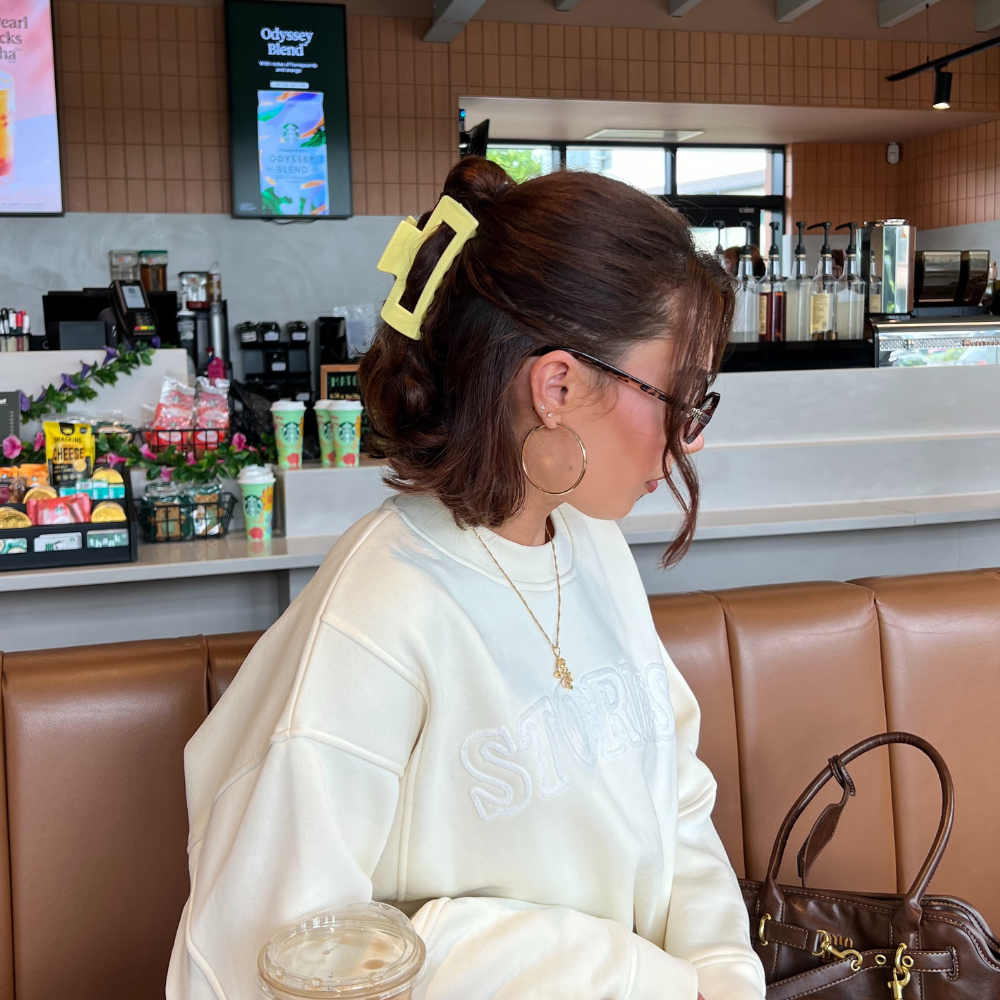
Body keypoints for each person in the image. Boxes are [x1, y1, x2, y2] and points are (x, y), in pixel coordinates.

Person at [166, 157, 766, 1000]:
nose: (691, 438)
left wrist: (721, 973)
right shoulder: (384, 609)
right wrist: (641, 980)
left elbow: (674, 793)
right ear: (557, 385)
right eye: (685, 393)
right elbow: (276, 952)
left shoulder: (586, 545)